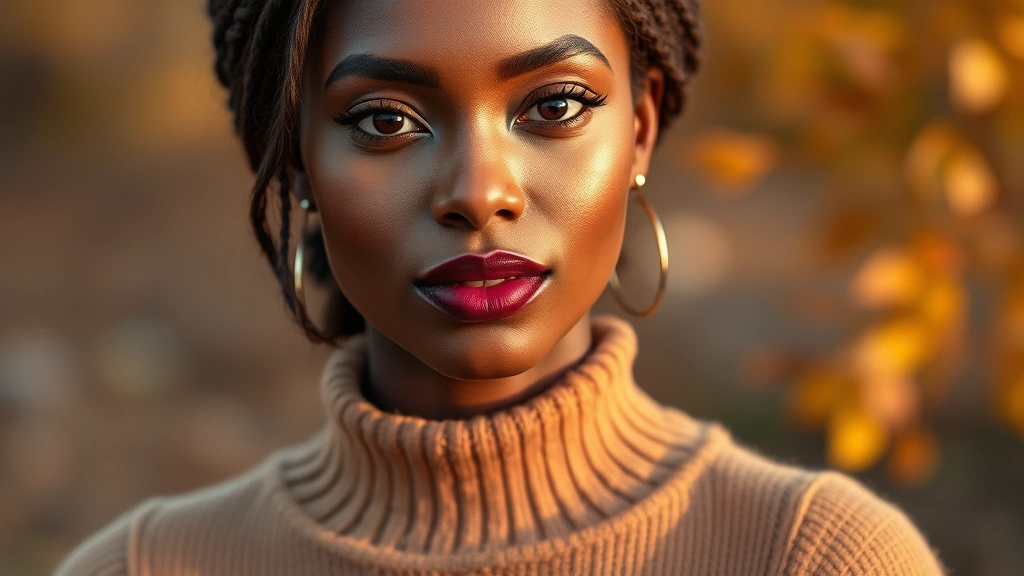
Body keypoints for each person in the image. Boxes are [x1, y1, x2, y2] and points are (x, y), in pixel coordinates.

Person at [56, 0, 946, 574]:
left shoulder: (817, 558)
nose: (480, 192)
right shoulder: (141, 567)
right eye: (386, 120)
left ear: (638, 131)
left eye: (554, 106)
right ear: (295, 161)